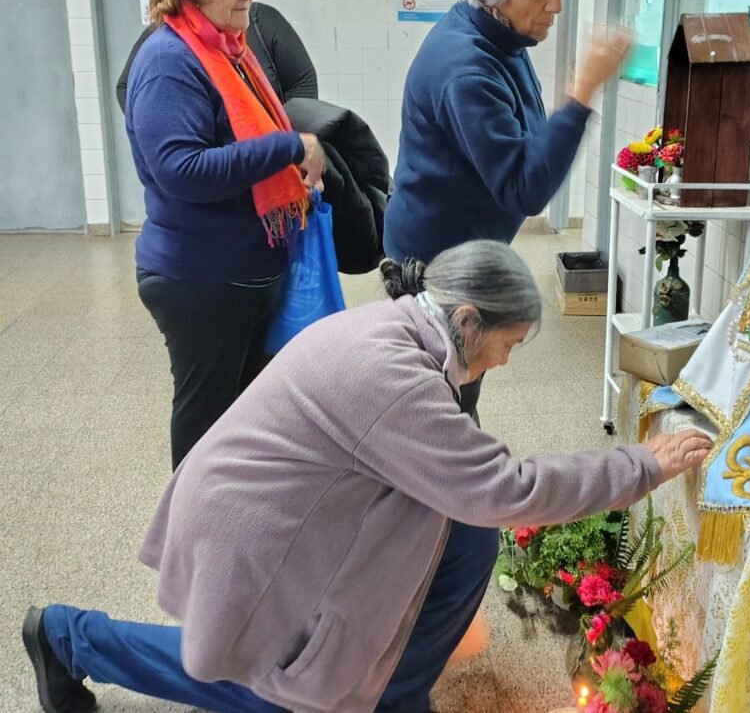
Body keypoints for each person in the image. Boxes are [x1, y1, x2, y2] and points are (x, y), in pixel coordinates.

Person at [22, 240, 713, 713]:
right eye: (506, 346)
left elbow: (469, 490)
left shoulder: (404, 329)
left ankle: (389, 691)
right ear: (468, 320)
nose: (504, 363)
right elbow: (508, 489)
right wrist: (643, 464)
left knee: (466, 538)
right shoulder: (395, 378)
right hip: (252, 541)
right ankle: (68, 636)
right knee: (284, 691)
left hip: (277, 509)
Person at [383, 0, 632, 416]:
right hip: (433, 269)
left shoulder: (501, 41)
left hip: (459, 251)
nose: (556, 4)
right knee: (444, 407)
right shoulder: (467, 68)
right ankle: (457, 487)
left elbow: (526, 140)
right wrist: (583, 90)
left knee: (454, 395)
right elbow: (524, 186)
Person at [124, 0, 327, 469]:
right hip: (200, 278)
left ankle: (231, 532)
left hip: (239, 272)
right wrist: (292, 146)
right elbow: (182, 169)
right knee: (207, 425)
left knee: (242, 421)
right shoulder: (169, 60)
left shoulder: (225, 50)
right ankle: (192, 543)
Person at [116, 0, 319, 111]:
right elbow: (125, 88)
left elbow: (302, 80)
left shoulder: (261, 21)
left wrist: (296, 141)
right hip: (221, 172)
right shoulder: (163, 42)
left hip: (274, 164)